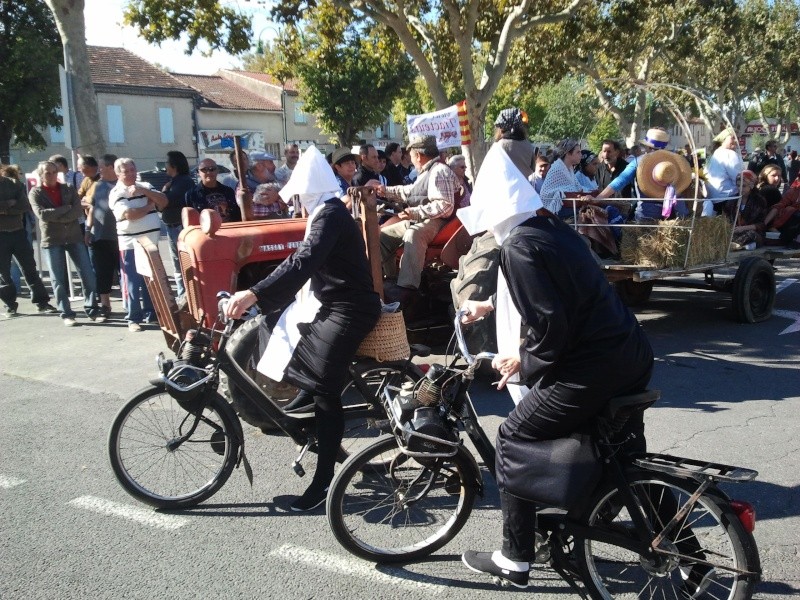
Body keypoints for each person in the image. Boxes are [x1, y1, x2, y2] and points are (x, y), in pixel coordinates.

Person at [456, 144, 654, 590]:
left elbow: (550, 322)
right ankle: (679, 547)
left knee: (513, 435)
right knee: (624, 451)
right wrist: (492, 304)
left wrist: (524, 362)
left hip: (594, 365)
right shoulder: (549, 227)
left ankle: (515, 556)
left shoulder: (518, 247)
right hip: (630, 354)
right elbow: (553, 293)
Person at [222, 146, 381, 512]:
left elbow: (304, 260)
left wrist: (254, 292)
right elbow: (301, 261)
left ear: (309, 192)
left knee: (326, 389)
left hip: (351, 308)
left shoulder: (329, 215)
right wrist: (262, 297)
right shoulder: (326, 211)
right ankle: (301, 419)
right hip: (333, 303)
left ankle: (323, 483)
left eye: (298, 197)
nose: (297, 203)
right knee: (276, 329)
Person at [372, 134, 457, 305]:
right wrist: (384, 191)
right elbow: (410, 192)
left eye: (410, 155)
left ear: (418, 155)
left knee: (414, 234)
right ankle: (388, 279)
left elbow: (445, 207)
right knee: (381, 236)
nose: (410, 159)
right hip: (424, 218)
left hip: (440, 222)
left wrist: (415, 213)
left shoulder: (440, 171)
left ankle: (407, 289)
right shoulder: (426, 172)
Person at [29, 161, 100, 326]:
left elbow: (76, 211)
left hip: (74, 236)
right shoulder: (36, 193)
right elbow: (42, 215)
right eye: (47, 173)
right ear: (41, 175)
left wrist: (60, 214)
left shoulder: (68, 188)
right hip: (52, 240)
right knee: (58, 279)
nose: (52, 175)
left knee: (87, 275)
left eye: (54, 172)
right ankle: (66, 313)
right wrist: (65, 208)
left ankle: (92, 308)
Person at [109, 157, 167, 332]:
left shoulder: (146, 186)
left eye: (132, 170)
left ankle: (152, 314)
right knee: (132, 282)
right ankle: (133, 318)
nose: (130, 174)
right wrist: (149, 207)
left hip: (151, 241)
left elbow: (163, 201)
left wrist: (144, 191)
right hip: (130, 243)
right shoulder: (116, 193)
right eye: (125, 171)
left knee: (150, 280)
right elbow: (129, 215)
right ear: (118, 173)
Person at [590, 128, 690, 222]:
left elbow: (620, 181)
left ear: (648, 146)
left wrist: (598, 198)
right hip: (677, 213)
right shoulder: (674, 163)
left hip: (647, 213)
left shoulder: (639, 161)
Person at [0, 166, 55, 316]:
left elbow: (24, 206)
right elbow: (15, 206)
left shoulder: (14, 184)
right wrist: (8, 204)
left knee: (30, 268)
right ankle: (10, 305)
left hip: (18, 232)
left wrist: (6, 208)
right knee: (3, 274)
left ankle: (41, 302)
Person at [84, 154, 120, 320]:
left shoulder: (123, 184)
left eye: (101, 167)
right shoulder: (98, 185)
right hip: (100, 236)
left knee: (125, 275)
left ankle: (132, 307)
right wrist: (87, 230)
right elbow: (92, 208)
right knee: (102, 272)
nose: (98, 170)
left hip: (121, 237)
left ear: (111, 167)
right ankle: (105, 305)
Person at [161, 151, 193, 298]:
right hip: (172, 226)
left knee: (184, 265)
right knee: (178, 265)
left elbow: (167, 201)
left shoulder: (184, 181)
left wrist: (164, 193)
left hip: (179, 227)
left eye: (166, 163)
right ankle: (182, 295)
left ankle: (185, 296)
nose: (165, 167)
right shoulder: (173, 182)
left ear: (174, 165)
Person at [703, 128, 743, 217]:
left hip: (714, 199)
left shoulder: (713, 155)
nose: (736, 140)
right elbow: (738, 178)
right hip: (729, 198)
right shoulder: (730, 154)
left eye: (738, 138)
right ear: (724, 139)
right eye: (733, 138)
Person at [539, 138, 584, 218]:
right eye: (578, 152)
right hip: (555, 210)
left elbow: (578, 189)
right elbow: (546, 194)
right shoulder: (558, 168)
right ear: (568, 153)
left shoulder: (569, 168)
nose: (581, 155)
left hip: (566, 207)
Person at [728, 170, 769, 250]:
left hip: (752, 232)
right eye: (738, 185)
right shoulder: (732, 200)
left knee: (751, 234)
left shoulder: (759, 200)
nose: (740, 189)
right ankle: (738, 245)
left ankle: (740, 246)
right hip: (735, 232)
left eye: (743, 186)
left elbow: (761, 224)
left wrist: (743, 228)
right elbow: (727, 218)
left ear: (751, 186)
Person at [493, 107, 534, 178]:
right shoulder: (528, 145)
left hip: (506, 186)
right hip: (525, 186)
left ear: (502, 128)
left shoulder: (499, 146)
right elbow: (533, 167)